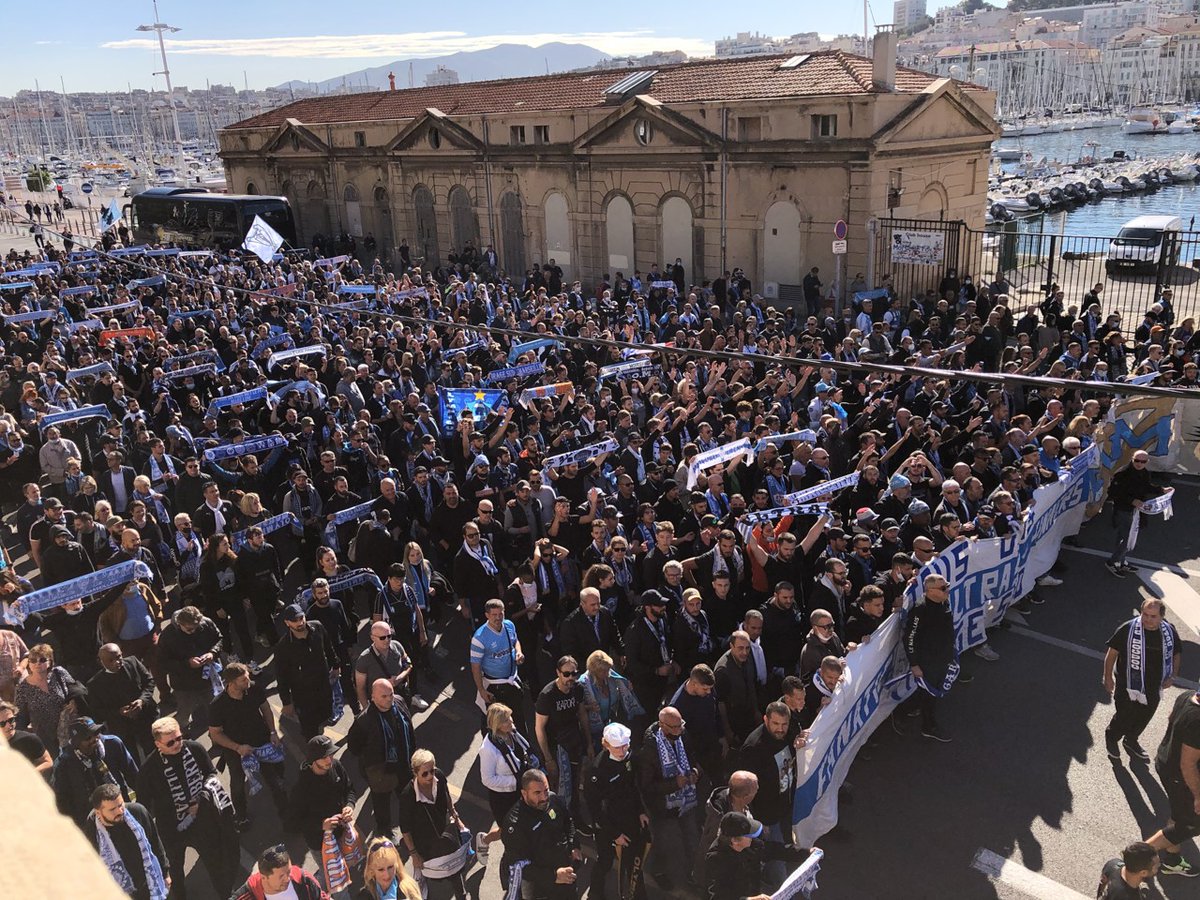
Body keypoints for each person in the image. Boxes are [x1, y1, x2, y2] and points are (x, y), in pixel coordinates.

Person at [135, 716, 241, 900]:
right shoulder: (148, 769)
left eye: (179, 738)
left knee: (215, 862)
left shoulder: (195, 749)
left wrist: (201, 799)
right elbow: (143, 804)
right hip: (171, 828)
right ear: (158, 744)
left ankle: (226, 895)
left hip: (201, 819)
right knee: (175, 869)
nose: (177, 744)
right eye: (170, 742)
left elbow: (210, 774)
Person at [208, 662, 287, 827]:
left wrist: (273, 732)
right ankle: (241, 816)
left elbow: (265, 709)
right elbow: (216, 733)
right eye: (243, 680)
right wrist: (238, 748)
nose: (248, 681)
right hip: (236, 750)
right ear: (231, 683)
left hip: (261, 742)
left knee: (275, 780)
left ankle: (287, 814)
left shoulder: (254, 689)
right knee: (237, 784)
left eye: (248, 677)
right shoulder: (218, 705)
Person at [1103, 598, 1181, 762]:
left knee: (1144, 717)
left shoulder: (1168, 632)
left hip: (1154, 686)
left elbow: (1176, 653)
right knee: (1124, 715)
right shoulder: (1128, 629)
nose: (1147, 619)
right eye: (1145, 614)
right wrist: (1108, 677)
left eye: (1153, 616)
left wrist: (1173, 675)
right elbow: (1112, 654)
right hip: (1128, 684)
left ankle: (1131, 740)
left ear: (1161, 617)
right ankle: (1112, 737)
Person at [636, 706, 703, 895]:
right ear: (662, 726)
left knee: (692, 837)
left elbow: (691, 756)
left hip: (686, 799)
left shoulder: (683, 734)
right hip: (662, 806)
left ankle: (694, 875)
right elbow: (647, 787)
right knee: (662, 842)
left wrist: (695, 771)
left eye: (680, 725)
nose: (679, 730)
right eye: (674, 727)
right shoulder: (649, 750)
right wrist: (674, 784)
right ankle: (657, 870)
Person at [584, 722, 648, 900]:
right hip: (608, 825)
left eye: (625, 746)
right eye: (617, 747)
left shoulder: (629, 757)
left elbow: (633, 787)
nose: (622, 751)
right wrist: (614, 834)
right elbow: (595, 809)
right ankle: (595, 893)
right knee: (605, 861)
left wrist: (641, 811)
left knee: (634, 863)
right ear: (606, 744)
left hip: (629, 819)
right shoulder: (596, 770)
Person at [346, 678, 416, 838]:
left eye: (391, 694)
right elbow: (354, 747)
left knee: (407, 799)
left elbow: (409, 728)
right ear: (373, 697)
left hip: (403, 765)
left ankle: (410, 829)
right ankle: (385, 832)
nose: (389, 699)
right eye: (384, 696)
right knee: (381, 804)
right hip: (381, 772)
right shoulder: (364, 720)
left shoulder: (399, 703)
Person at [398, 749, 472, 900]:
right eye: (424, 773)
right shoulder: (407, 795)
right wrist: (414, 854)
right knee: (428, 869)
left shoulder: (439, 776)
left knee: (454, 865)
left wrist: (455, 816)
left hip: (444, 831)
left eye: (432, 770)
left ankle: (460, 891)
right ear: (415, 773)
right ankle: (423, 885)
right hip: (424, 841)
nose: (430, 776)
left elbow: (446, 794)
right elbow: (405, 829)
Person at [499, 769, 582, 900]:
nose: (544, 797)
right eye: (537, 793)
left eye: (546, 790)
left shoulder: (553, 799)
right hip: (540, 886)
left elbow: (568, 821)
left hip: (566, 873)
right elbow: (518, 866)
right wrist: (554, 876)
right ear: (524, 793)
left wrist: (574, 845)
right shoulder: (515, 824)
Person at [1144, 688, 1200, 877]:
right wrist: (1198, 795)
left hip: (1167, 763)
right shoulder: (1198, 719)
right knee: (1192, 824)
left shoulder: (1187, 695)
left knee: (1179, 813)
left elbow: (1171, 718)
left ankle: (1172, 860)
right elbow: (1188, 764)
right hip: (1180, 776)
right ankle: (1138, 854)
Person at [53, 715, 140, 829]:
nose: (94, 739)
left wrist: (141, 804)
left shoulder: (113, 744)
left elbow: (135, 776)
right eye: (88, 738)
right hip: (90, 822)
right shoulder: (64, 764)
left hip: (120, 810)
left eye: (96, 733)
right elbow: (62, 801)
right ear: (76, 743)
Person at [87, 783, 171, 900]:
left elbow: (155, 842)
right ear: (98, 813)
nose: (120, 811)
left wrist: (165, 873)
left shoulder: (138, 812)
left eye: (121, 804)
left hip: (149, 883)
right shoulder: (92, 830)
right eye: (112, 809)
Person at [900, 574, 957, 742]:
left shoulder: (944, 602)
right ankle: (928, 726)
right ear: (930, 591)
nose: (947, 590)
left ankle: (910, 709)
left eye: (947, 586)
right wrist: (914, 664)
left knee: (930, 691)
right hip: (928, 661)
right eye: (943, 588)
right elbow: (909, 638)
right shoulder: (920, 610)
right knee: (930, 694)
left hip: (943, 656)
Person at [535, 655, 592, 819]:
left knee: (574, 782)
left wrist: (588, 743)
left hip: (573, 742)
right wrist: (548, 759)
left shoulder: (578, 688)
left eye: (574, 673)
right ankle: (555, 819)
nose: (570, 678)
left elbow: (582, 715)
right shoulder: (547, 695)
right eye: (566, 674)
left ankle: (574, 816)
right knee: (557, 784)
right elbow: (539, 728)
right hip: (556, 747)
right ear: (558, 673)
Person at [477, 701, 536, 856]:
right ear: (497, 724)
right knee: (508, 830)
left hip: (520, 790)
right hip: (503, 798)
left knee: (524, 824)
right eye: (505, 720)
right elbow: (487, 779)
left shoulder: (513, 733)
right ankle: (485, 840)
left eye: (510, 717)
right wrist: (515, 782)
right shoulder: (488, 749)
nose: (511, 721)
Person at [703, 810, 803, 900]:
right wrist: (748, 899)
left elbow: (775, 850)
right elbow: (720, 895)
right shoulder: (716, 859)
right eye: (748, 835)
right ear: (735, 841)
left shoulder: (752, 845)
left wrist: (805, 853)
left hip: (753, 891)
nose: (752, 838)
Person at [287, 734, 360, 858]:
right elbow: (295, 822)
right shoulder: (301, 786)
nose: (329, 760)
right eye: (324, 757)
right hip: (320, 843)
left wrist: (349, 805)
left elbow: (349, 789)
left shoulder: (336, 766)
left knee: (349, 863)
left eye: (331, 754)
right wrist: (321, 824)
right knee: (331, 870)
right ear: (313, 759)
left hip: (342, 832)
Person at [275, 603, 340, 740]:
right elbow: (282, 676)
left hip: (323, 686)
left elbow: (328, 647)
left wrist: (335, 665)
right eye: (295, 620)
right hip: (303, 695)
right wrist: (286, 702)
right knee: (309, 727)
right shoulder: (284, 646)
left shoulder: (317, 627)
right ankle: (313, 745)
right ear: (287, 623)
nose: (300, 623)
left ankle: (318, 733)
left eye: (301, 618)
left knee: (325, 714)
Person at [156, 606, 222, 737]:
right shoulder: (168, 635)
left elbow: (219, 639)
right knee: (184, 714)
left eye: (196, 627)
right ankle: (181, 737)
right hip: (184, 685)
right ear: (179, 623)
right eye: (189, 629)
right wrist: (187, 664)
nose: (193, 631)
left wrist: (212, 653)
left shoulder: (206, 623)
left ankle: (216, 734)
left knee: (215, 709)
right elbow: (163, 663)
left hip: (208, 679)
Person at [88, 642, 158, 760]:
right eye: (111, 660)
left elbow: (149, 681)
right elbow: (97, 712)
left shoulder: (133, 662)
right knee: (132, 758)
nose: (117, 662)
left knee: (154, 752)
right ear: (101, 662)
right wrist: (118, 712)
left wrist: (142, 700)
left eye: (119, 657)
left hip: (146, 718)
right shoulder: (94, 684)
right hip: (122, 728)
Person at [1106, 450, 1166, 576]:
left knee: (1130, 536)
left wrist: (1161, 490)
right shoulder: (1122, 473)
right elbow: (1113, 492)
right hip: (1123, 509)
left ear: (1147, 462)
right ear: (1132, 459)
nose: (1139, 464)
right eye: (1137, 461)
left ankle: (1121, 560)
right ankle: (1113, 562)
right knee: (1125, 538)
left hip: (1135, 510)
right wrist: (1131, 500)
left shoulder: (1144, 473)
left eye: (1143, 461)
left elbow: (1146, 487)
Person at [470, 598, 527, 728]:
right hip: (494, 687)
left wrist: (519, 652)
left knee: (518, 719)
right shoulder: (479, 638)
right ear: (487, 615)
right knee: (494, 723)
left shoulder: (509, 625)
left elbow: (516, 641)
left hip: (512, 681)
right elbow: (475, 667)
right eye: (494, 615)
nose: (498, 618)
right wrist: (481, 690)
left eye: (501, 614)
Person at [696, 770, 759, 887]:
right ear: (745, 797)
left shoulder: (739, 799)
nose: (758, 790)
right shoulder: (720, 823)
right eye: (755, 790)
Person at [356, 620, 428, 713]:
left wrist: (399, 678)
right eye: (382, 638)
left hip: (400, 698)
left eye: (389, 636)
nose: (387, 640)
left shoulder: (397, 646)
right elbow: (360, 688)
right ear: (372, 638)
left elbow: (408, 664)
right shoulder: (364, 659)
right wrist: (367, 710)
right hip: (379, 705)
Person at [230, 844, 331, 900]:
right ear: (264, 877)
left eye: (288, 872)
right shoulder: (246, 896)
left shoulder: (304, 879)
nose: (288, 879)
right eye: (281, 876)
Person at [0, 698, 53, 777]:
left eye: (11, 720)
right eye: (2, 723)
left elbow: (48, 762)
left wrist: (30, 774)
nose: (8, 726)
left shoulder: (29, 739)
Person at [358, 837, 423, 900]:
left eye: (390, 867)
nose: (387, 874)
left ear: (397, 865)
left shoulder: (409, 889)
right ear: (371, 870)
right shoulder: (364, 896)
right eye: (381, 869)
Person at [1095, 841, 1159, 897]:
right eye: (1156, 866)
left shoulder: (1113, 863)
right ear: (1143, 873)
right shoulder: (1130, 897)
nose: (1159, 866)